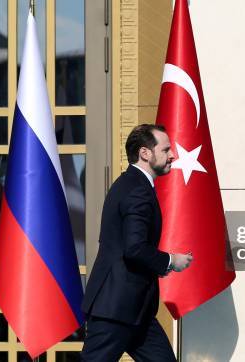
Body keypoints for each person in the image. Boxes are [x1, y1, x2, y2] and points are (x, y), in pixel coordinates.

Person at [81, 124, 193, 361]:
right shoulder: (137, 190)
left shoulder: (132, 184)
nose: (172, 155)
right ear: (145, 153)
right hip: (115, 308)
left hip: (136, 310)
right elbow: (134, 248)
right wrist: (171, 260)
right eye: (165, 150)